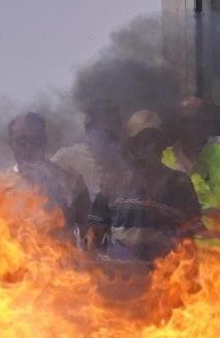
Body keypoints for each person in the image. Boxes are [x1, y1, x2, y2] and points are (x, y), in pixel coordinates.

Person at [86, 111, 203, 271]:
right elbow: (94, 235)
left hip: (163, 280)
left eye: (154, 140)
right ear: (131, 145)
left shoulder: (178, 183)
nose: (149, 147)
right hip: (119, 280)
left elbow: (191, 239)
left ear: (162, 145)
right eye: (141, 141)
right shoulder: (113, 183)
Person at [161, 96, 220, 249]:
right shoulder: (164, 159)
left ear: (207, 124)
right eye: (186, 121)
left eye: (197, 121)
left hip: (218, 263)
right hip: (176, 262)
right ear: (177, 125)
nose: (191, 128)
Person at [0, 112, 91, 245]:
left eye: (36, 141)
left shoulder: (69, 181)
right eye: (22, 140)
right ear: (11, 143)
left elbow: (88, 229)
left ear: (44, 141)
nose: (29, 147)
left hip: (60, 261)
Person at [53, 100, 127, 203]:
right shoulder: (68, 157)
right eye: (104, 132)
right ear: (89, 129)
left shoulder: (126, 162)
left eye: (113, 133)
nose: (109, 140)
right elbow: (44, 178)